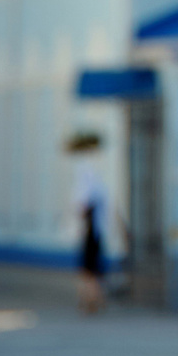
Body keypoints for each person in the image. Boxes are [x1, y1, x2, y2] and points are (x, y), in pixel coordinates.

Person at [68, 129, 113, 315]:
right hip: (96, 230)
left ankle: (91, 301)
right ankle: (94, 299)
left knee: (88, 270)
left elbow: (83, 201)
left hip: (91, 231)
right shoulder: (94, 175)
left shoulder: (86, 174)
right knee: (91, 269)